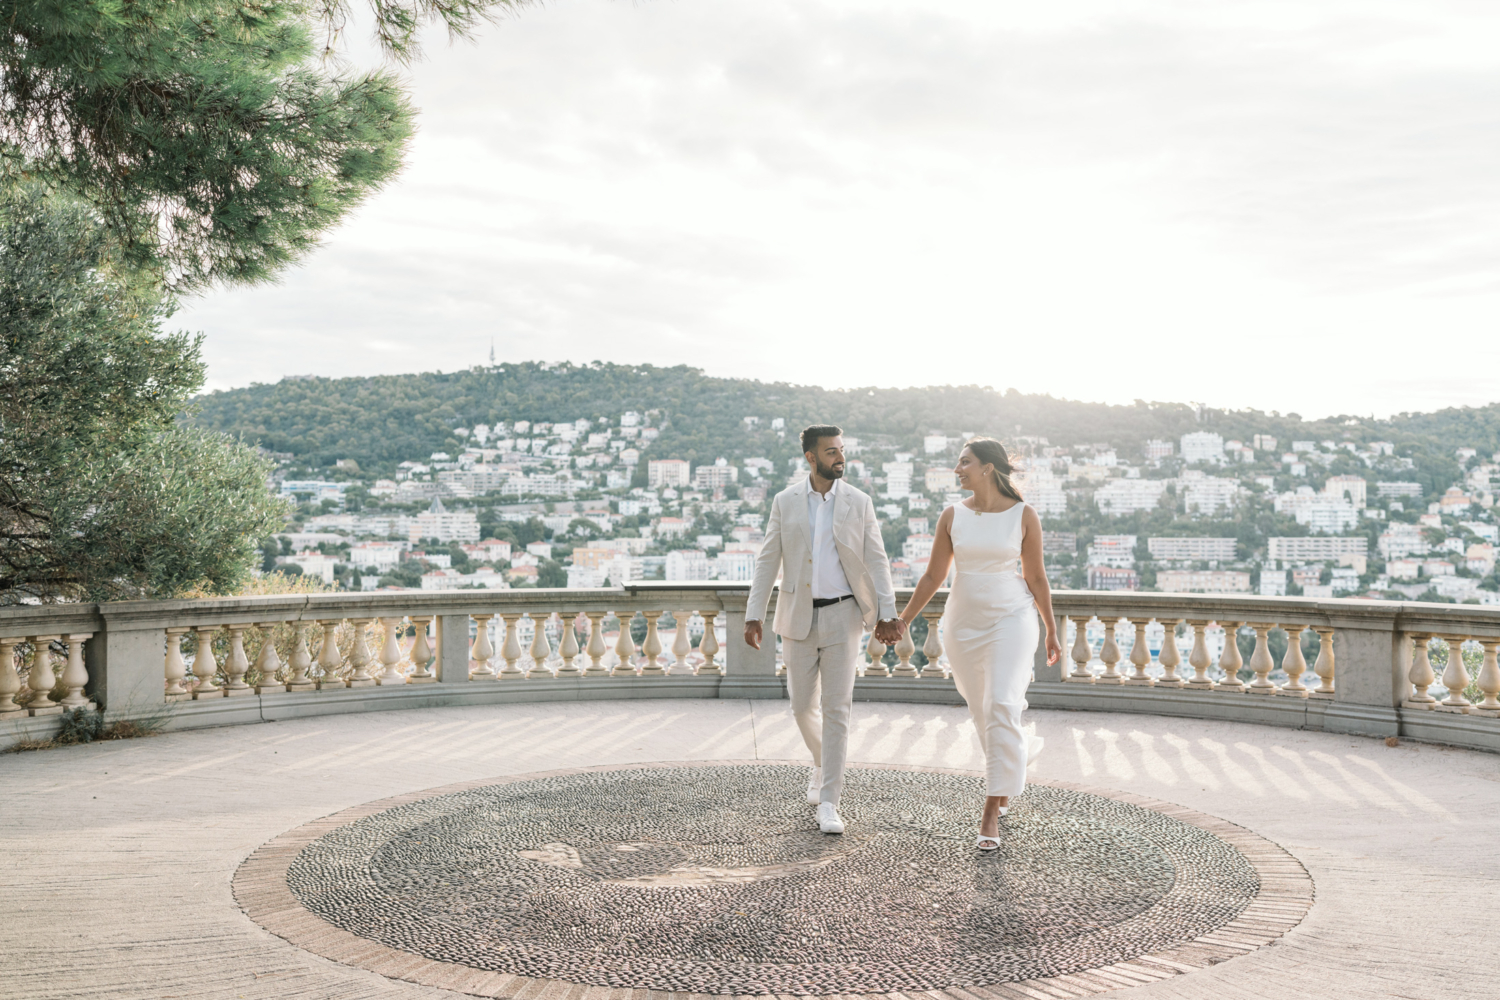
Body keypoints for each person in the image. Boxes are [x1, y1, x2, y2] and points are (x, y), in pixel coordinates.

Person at [896, 437, 1061, 851]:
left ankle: (991, 808)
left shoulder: (1025, 516)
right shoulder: (952, 515)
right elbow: (933, 577)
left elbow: (1037, 577)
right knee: (980, 707)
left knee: (1000, 704)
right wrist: (902, 621)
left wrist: (1052, 629)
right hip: (963, 623)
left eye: (964, 462)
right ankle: (1006, 774)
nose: (957, 470)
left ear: (988, 467)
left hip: (1012, 617)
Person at [745, 424, 904, 834]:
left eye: (842, 449)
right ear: (811, 458)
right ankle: (821, 762)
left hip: (844, 615)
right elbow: (768, 560)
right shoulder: (785, 501)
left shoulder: (859, 502)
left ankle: (830, 801)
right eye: (831, 451)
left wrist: (887, 611)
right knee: (801, 707)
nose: (840, 457)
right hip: (797, 614)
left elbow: (878, 560)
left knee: (838, 710)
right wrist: (754, 613)